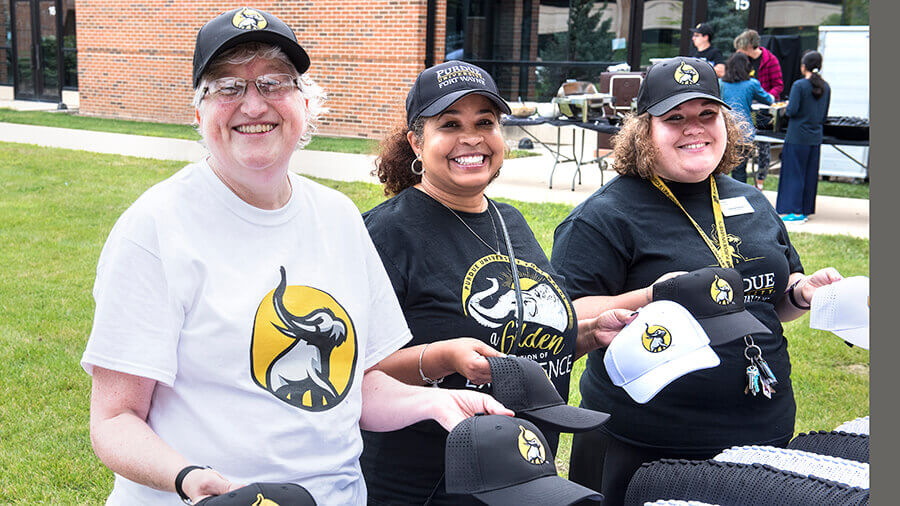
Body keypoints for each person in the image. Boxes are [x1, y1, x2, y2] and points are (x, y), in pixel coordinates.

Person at [81, 9, 510, 505]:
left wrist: (434, 401)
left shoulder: (338, 217)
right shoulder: (156, 227)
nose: (253, 104)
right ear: (199, 113)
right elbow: (114, 420)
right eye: (227, 88)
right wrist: (190, 478)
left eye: (274, 83)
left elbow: (357, 388)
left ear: (304, 105)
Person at [550, 56, 843, 506]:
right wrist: (653, 294)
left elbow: (770, 300)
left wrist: (801, 293)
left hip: (762, 433)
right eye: (675, 118)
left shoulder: (750, 200)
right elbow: (564, 320)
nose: (695, 128)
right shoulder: (604, 216)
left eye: (707, 114)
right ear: (644, 131)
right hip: (646, 447)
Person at [358, 60, 634, 505]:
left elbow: (522, 341)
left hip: (524, 472)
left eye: (484, 122)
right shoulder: (386, 233)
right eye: (450, 124)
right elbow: (354, 371)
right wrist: (443, 357)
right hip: (427, 485)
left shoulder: (511, 221)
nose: (471, 137)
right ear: (416, 140)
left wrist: (586, 334)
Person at [776, 50, 831, 222]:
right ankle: (805, 210)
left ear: (803, 66)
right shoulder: (826, 87)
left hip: (797, 136)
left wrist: (786, 105)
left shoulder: (799, 86)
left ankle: (795, 211)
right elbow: (823, 116)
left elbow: (792, 111)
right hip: (815, 137)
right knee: (809, 174)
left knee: (794, 173)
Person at [734, 29, 784, 190]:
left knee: (763, 148)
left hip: (763, 110)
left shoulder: (770, 60)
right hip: (745, 108)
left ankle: (760, 183)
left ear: (749, 45)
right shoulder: (742, 60)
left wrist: (767, 98)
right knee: (741, 148)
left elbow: (778, 85)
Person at [719, 52, 774, 183]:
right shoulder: (752, 84)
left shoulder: (720, 83)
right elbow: (769, 99)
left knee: (720, 171)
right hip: (744, 132)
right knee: (739, 172)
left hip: (723, 131)